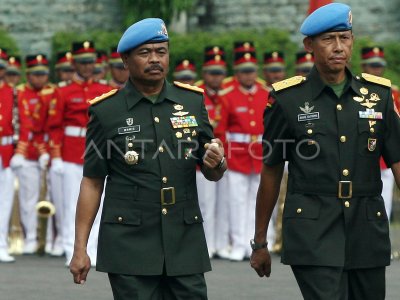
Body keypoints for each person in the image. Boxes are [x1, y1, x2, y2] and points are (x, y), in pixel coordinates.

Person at [250, 3, 400, 299]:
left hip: (366, 226)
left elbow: (397, 160)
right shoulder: (287, 99)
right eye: (328, 39)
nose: (338, 47)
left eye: (345, 38)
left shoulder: (379, 96)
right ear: (309, 45)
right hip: (312, 230)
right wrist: (260, 241)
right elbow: (271, 169)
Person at [69, 18, 226, 299]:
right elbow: (92, 181)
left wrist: (217, 163)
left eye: (161, 52)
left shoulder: (191, 102)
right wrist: (80, 248)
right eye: (145, 53)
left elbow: (210, 169)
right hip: (130, 241)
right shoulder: (106, 111)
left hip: (183, 237)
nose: (155, 59)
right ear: (126, 60)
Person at [47, 41, 112, 266]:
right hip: (71, 153)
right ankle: (69, 248)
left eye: (91, 62)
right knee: (69, 204)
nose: (87, 67)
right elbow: (54, 126)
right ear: (74, 63)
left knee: (98, 203)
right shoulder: (62, 91)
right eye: (83, 62)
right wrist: (55, 156)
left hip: (97, 152)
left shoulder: (104, 90)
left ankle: (91, 248)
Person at [218, 41, 269, 261]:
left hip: (260, 154)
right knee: (237, 201)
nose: (248, 75)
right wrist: (223, 155)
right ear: (236, 73)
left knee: (257, 200)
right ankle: (238, 243)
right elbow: (221, 129)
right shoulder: (227, 95)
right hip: (237, 155)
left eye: (251, 70)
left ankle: (254, 242)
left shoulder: (266, 93)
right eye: (243, 71)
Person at [10, 54, 53, 254]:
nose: (40, 78)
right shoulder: (19, 93)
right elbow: (23, 124)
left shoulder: (53, 92)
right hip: (27, 152)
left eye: (43, 74)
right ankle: (30, 238)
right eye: (36, 74)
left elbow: (53, 125)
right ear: (28, 74)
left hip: (50, 151)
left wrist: (48, 150)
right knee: (29, 198)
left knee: (53, 198)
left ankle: (52, 239)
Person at [196, 46, 228, 258]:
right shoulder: (195, 95)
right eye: (212, 72)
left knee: (223, 205)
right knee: (205, 204)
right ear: (204, 73)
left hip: (227, 156)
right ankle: (205, 244)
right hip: (202, 156)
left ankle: (222, 243)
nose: (216, 77)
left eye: (220, 72)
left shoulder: (227, 95)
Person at [361, 46, 396, 223]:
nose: (377, 70)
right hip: (361, 156)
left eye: (379, 65)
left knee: (386, 203)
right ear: (363, 66)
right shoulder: (357, 92)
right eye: (372, 65)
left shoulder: (393, 93)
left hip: (387, 158)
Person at [0, 47, 17, 263]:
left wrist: (19, 151)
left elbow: (20, 122)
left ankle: (1, 243)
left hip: (6, 151)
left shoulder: (13, 91)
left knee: (4, 201)